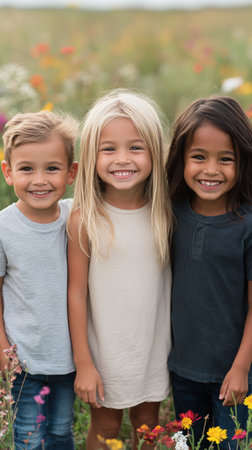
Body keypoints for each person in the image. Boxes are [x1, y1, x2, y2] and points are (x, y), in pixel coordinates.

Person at [67, 89, 173, 449]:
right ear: (91, 155)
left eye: (136, 147)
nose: (122, 159)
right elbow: (77, 292)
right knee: (106, 426)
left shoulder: (167, 214)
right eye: (108, 148)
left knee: (148, 424)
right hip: (105, 351)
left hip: (152, 345)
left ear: (155, 153)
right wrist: (84, 363)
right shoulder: (85, 219)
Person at [166, 95, 252, 449]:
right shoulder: (171, 214)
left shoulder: (246, 226)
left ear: (242, 162)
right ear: (181, 158)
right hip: (182, 370)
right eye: (199, 157)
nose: (211, 170)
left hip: (233, 374)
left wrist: (241, 369)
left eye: (225, 159)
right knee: (192, 444)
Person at [0, 111, 79, 450]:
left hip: (69, 358)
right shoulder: (4, 228)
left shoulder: (77, 216)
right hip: (24, 360)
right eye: (26, 169)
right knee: (29, 437)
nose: (40, 180)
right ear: (8, 172)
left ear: (71, 172)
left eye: (52, 168)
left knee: (61, 432)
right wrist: (3, 347)